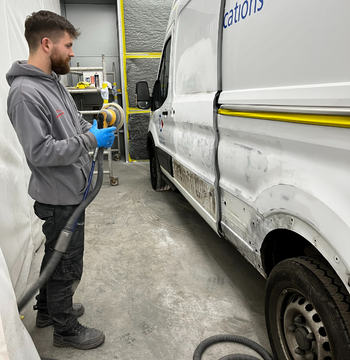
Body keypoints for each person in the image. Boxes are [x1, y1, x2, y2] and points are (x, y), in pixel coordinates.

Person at [6, 10, 116, 350]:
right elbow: (39, 152)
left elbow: (75, 124)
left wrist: (92, 130)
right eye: (68, 46)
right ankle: (65, 329)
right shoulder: (25, 94)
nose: (71, 53)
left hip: (72, 191)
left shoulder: (52, 82)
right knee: (66, 264)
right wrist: (90, 142)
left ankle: (46, 310)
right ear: (46, 43)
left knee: (56, 254)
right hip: (59, 199)